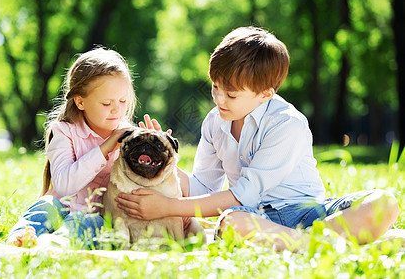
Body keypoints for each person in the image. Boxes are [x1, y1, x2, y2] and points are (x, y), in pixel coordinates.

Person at [116, 26, 399, 251]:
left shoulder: (287, 123)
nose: (219, 99)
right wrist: (162, 157)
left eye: (231, 94)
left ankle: (304, 243)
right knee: (231, 223)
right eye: (215, 88)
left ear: (266, 93)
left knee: (384, 203)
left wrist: (168, 207)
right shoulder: (215, 121)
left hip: (311, 213)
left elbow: (245, 193)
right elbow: (204, 185)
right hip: (256, 218)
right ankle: (328, 244)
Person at [7, 47, 136, 248]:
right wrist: (105, 148)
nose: (117, 109)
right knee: (44, 208)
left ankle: (51, 246)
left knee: (84, 224)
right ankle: (19, 240)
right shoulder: (64, 131)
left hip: (96, 214)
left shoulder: (129, 137)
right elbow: (64, 186)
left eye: (122, 101)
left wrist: (155, 148)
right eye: (106, 103)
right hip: (61, 204)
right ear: (80, 101)